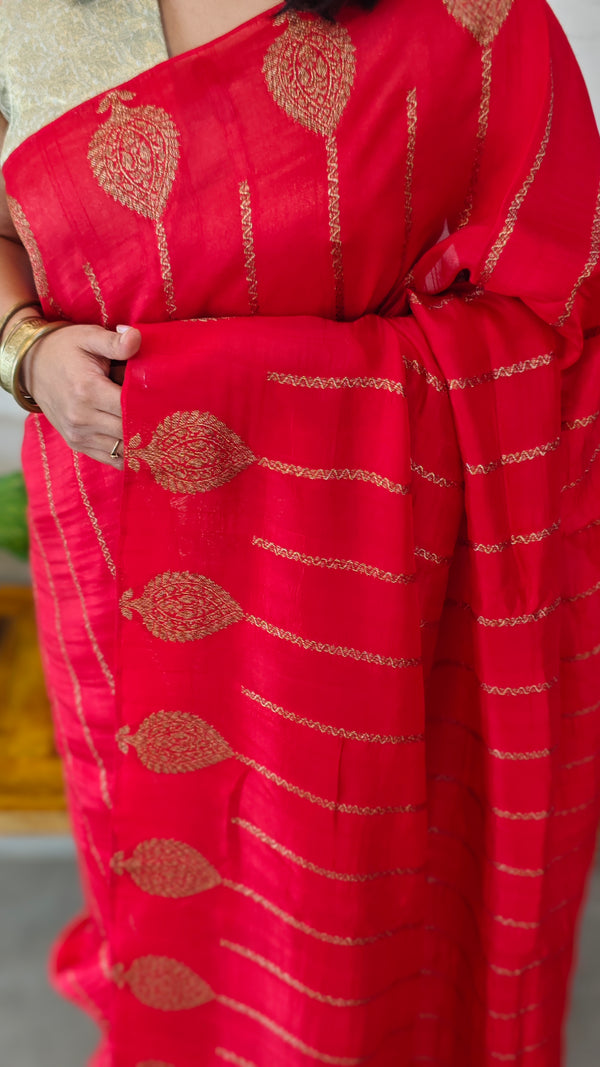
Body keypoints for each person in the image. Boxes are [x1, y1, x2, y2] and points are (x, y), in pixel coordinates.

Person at [1, 0, 599, 1063]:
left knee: (358, 913)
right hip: (118, 541)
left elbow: (560, 320)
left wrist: (248, 389)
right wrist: (24, 347)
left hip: (379, 596)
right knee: (158, 898)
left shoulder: (472, 20)